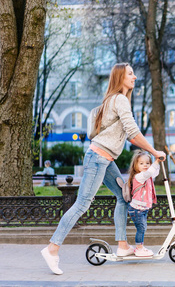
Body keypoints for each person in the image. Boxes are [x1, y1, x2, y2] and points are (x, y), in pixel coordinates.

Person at [40, 63, 166, 275]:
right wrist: (154, 152)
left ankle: (123, 245)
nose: (135, 77)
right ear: (120, 78)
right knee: (82, 204)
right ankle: (52, 249)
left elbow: (127, 132)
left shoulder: (116, 100)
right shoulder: (119, 99)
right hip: (98, 158)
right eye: (130, 73)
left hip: (106, 160)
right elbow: (133, 133)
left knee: (124, 196)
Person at [126, 151, 160, 256]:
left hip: (142, 208)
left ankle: (140, 247)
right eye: (141, 163)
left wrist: (158, 162)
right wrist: (157, 161)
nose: (145, 165)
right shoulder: (139, 176)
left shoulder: (147, 176)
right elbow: (149, 172)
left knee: (143, 227)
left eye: (147, 163)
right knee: (141, 228)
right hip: (137, 209)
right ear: (135, 165)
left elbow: (155, 173)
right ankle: (139, 248)